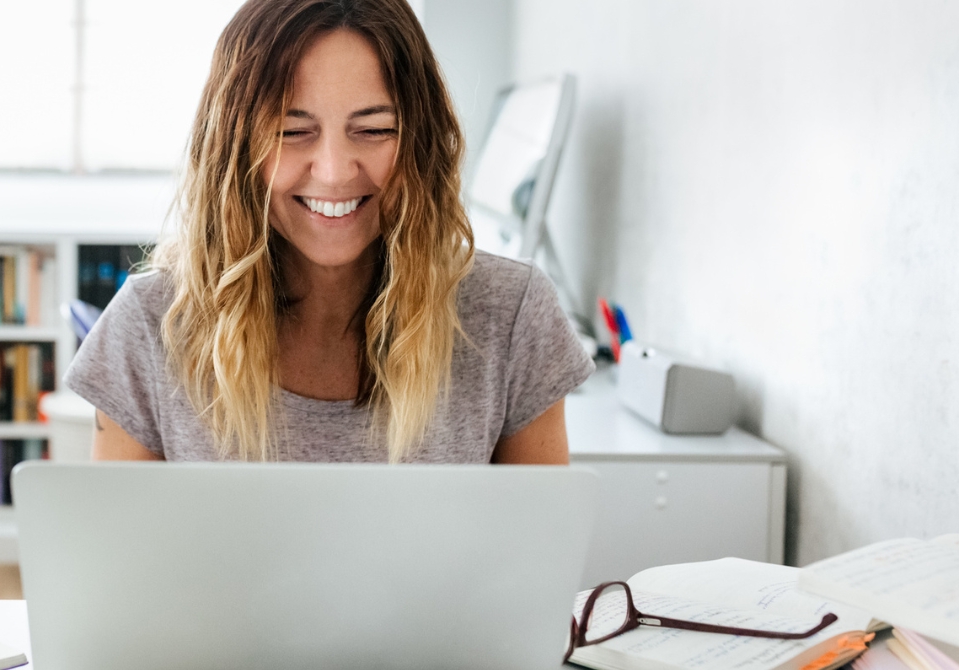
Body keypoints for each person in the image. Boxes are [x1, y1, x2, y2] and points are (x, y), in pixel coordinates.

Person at [65, 0, 593, 464]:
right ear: (232, 149)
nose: (336, 170)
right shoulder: (148, 325)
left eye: (375, 130)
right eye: (292, 132)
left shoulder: (513, 315)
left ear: (419, 142)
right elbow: (122, 573)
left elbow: (534, 564)